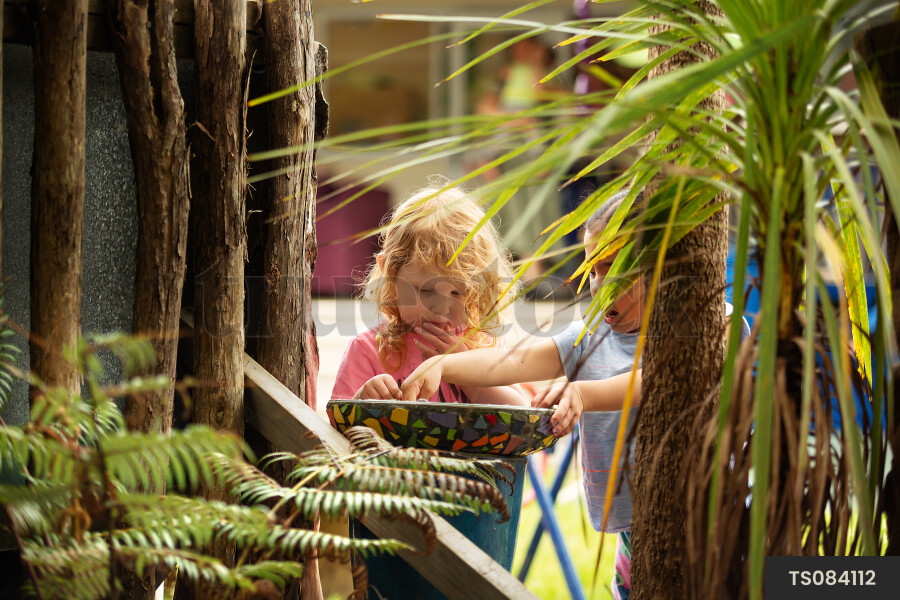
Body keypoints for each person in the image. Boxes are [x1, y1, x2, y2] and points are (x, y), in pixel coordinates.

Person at [401, 188, 749, 600]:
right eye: (593, 269)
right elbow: (516, 360)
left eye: (613, 267)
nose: (599, 284)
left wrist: (582, 393)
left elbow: (660, 378)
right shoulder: (591, 333)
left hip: (716, 522)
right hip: (635, 532)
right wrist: (446, 364)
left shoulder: (712, 323)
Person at [330, 180, 527, 406]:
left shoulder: (480, 344)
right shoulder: (369, 349)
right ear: (389, 273)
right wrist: (362, 400)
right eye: (425, 290)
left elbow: (519, 415)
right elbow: (338, 428)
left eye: (457, 292)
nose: (441, 308)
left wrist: (466, 372)